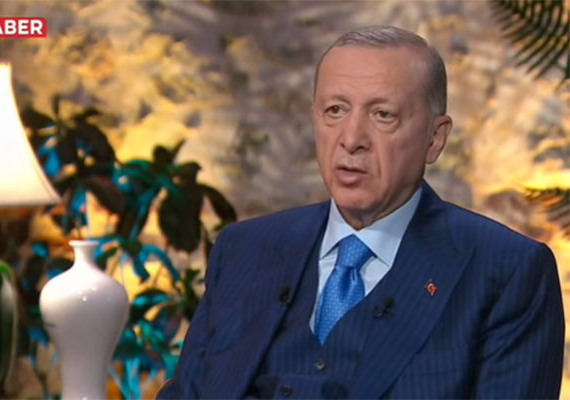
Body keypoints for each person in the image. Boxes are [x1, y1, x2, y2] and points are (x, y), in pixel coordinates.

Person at [156, 25, 565, 400]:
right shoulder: (243, 249)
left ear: (435, 138)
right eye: (335, 110)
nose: (351, 139)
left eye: (383, 114)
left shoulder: (507, 273)